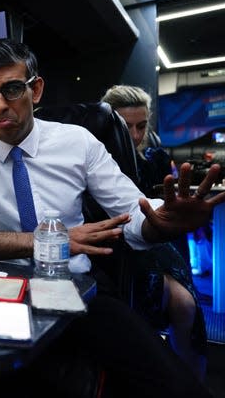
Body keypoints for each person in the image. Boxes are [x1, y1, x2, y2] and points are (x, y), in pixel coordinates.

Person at [0, 38, 223, 397]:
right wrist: (42, 241)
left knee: (171, 384)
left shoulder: (78, 142)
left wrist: (159, 220)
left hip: (75, 288)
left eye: (12, 89)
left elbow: (132, 213)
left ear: (36, 90)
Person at [101, 84, 207, 379]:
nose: (135, 136)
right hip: (114, 244)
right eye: (126, 127)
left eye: (141, 126)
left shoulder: (157, 158)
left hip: (158, 241)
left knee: (185, 305)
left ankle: (192, 381)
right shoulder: (94, 160)